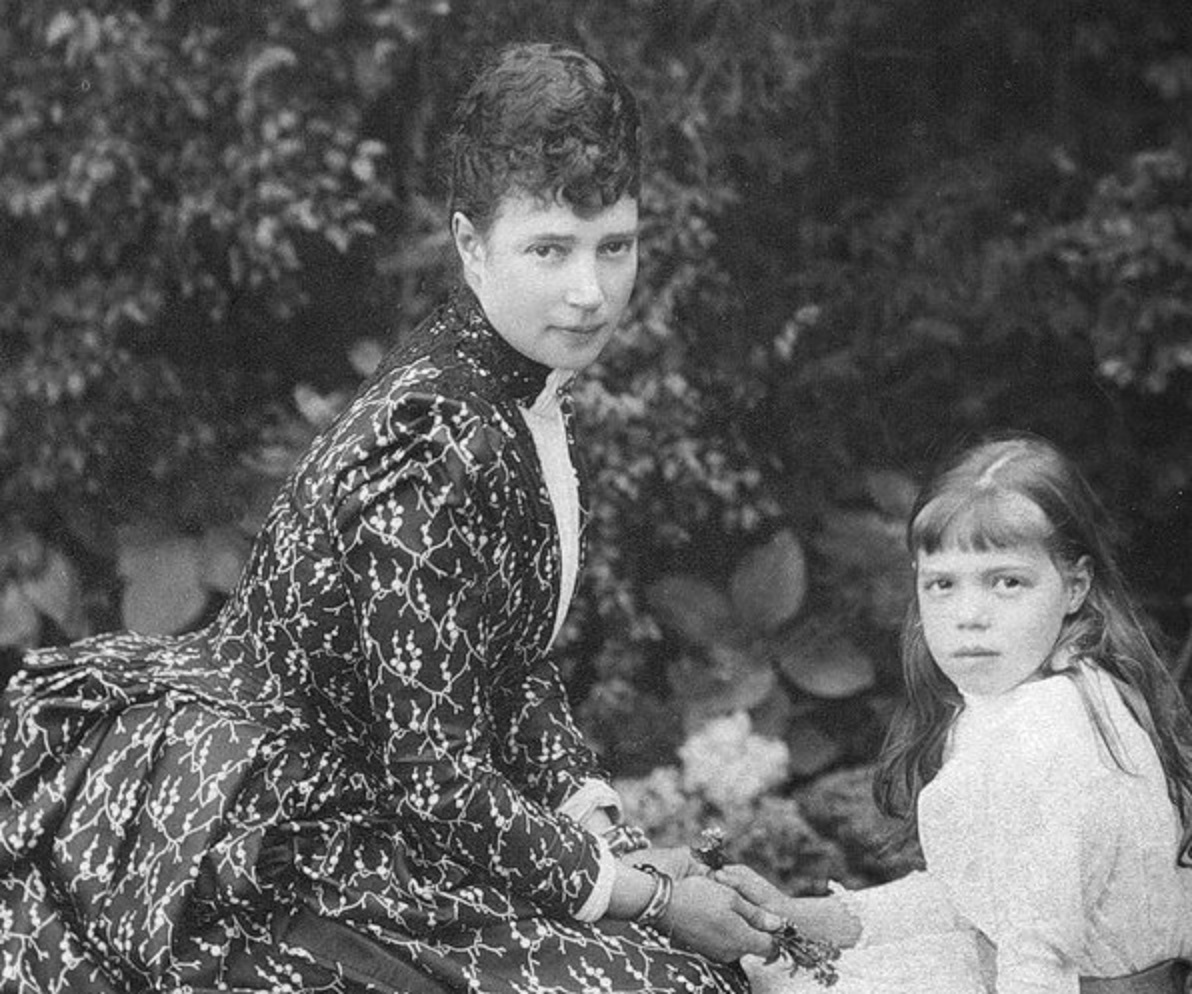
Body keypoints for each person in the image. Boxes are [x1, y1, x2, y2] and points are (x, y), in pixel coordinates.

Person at [0, 42, 779, 994]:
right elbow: (438, 774)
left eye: (613, 245)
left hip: (384, 799)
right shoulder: (433, 441)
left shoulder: (513, 386)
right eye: (550, 248)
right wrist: (648, 898)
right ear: (468, 245)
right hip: (269, 834)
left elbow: (509, 670)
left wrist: (614, 840)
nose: (590, 290)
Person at [716, 431, 1192, 994]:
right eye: (943, 584)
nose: (969, 615)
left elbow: (1039, 957)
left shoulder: (1048, 735)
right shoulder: (1036, 695)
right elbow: (975, 899)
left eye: (1007, 582)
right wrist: (798, 916)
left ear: (1074, 587)